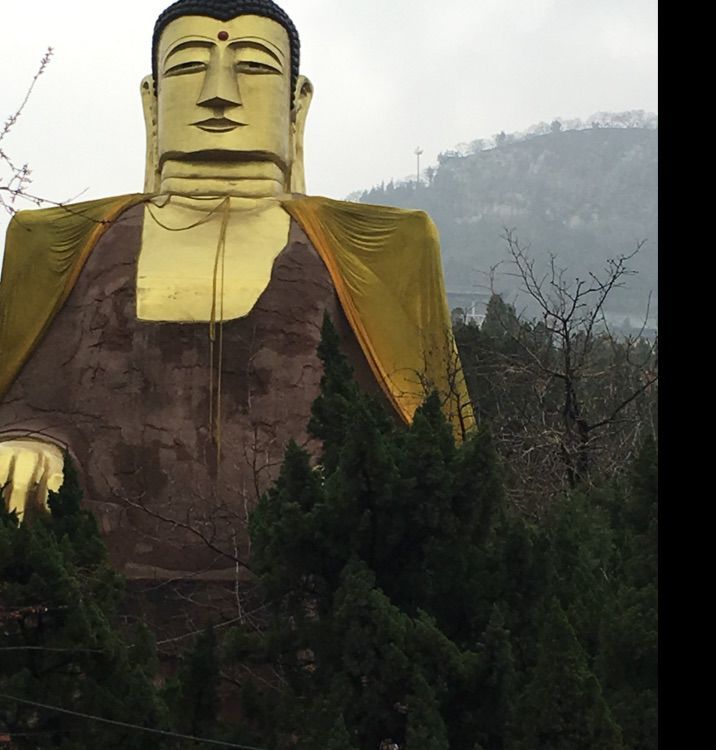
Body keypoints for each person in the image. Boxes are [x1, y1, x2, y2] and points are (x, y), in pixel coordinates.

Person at [0, 0, 472, 578]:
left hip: (310, 584)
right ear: (151, 101)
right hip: (93, 589)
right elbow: (29, 400)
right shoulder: (67, 242)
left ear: (297, 103)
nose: (218, 93)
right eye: (187, 67)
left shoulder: (376, 247)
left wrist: (357, 486)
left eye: (252, 66)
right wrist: (23, 446)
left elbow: (427, 439)